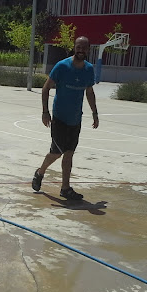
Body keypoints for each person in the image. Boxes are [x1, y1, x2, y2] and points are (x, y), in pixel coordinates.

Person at [31, 36, 99, 201]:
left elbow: (89, 92)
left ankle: (62, 186)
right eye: (78, 47)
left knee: (65, 153)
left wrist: (95, 113)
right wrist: (45, 112)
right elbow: (46, 88)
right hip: (59, 118)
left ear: (88, 50)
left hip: (75, 119)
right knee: (59, 153)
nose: (81, 50)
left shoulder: (89, 69)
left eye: (84, 47)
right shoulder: (62, 66)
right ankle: (44, 174)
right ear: (74, 47)